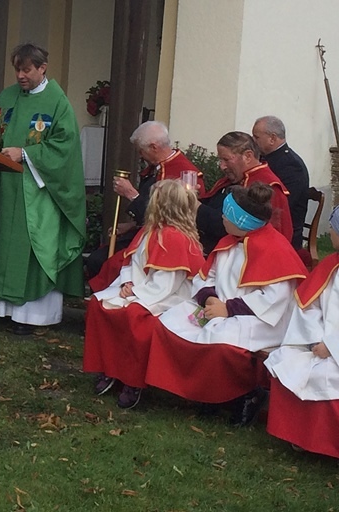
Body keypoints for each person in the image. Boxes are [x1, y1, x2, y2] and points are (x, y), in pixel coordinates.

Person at [146, 183, 308, 425]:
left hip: (261, 319)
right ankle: (204, 392)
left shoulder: (275, 249)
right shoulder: (230, 241)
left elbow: (274, 299)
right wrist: (209, 298)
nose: (221, 217)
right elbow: (206, 276)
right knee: (173, 320)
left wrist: (228, 309)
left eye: (226, 214)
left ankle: (243, 395)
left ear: (241, 220)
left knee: (218, 340)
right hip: (219, 307)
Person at [0, 42, 86, 334]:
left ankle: (31, 316)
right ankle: (5, 310)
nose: (20, 76)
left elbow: (64, 146)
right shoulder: (7, 96)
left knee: (35, 249)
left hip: (37, 192)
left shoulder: (57, 102)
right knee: (4, 246)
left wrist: (25, 154)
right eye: (17, 70)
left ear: (42, 68)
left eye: (26, 70)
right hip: (5, 186)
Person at [82, 180, 206, 410]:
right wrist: (128, 283)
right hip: (144, 288)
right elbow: (133, 263)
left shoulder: (175, 237)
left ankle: (132, 380)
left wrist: (135, 293)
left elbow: (167, 283)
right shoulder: (151, 231)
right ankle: (109, 367)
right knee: (98, 304)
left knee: (135, 317)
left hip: (170, 297)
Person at [87, 120, 204, 290]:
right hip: (147, 232)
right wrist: (132, 225)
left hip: (165, 240)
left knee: (103, 262)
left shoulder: (184, 175)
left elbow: (172, 215)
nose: (141, 156)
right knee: (99, 258)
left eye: (141, 151)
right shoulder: (156, 168)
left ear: (154, 147)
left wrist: (131, 194)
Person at [265, 206, 339, 458]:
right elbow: (310, 306)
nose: (331, 232)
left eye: (333, 228)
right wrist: (314, 339)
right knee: (287, 362)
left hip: (333, 350)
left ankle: (323, 440)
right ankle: (300, 434)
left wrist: (332, 346)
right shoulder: (331, 266)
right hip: (319, 343)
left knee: (322, 376)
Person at [196, 131, 293, 253]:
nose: (222, 166)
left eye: (226, 159)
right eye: (220, 160)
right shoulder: (233, 178)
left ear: (248, 156)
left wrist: (196, 207)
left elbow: (232, 227)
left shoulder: (268, 187)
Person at [252, 115, 310, 250]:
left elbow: (282, 205)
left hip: (283, 235)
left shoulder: (291, 166)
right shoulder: (269, 159)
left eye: (256, 137)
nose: (253, 142)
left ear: (272, 138)